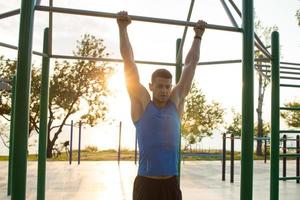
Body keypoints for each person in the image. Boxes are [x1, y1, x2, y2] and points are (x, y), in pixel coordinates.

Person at [117, 11, 206, 200]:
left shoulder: (175, 103)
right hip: (146, 185)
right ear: (151, 86)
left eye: (167, 86)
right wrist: (122, 28)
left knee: (189, 70)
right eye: (159, 86)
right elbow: (129, 62)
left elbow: (191, 64)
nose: (164, 90)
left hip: (171, 184)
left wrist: (198, 36)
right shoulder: (141, 103)